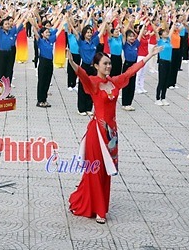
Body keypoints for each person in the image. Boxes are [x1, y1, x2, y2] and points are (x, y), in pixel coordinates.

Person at [67, 45, 161, 224]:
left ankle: (93, 202)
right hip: (97, 133)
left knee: (107, 171)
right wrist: (72, 62)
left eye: (109, 63)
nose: (108, 66)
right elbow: (83, 76)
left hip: (111, 134)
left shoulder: (114, 81)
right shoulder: (94, 83)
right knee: (96, 170)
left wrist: (149, 55)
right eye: (105, 64)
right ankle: (99, 211)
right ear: (96, 66)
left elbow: (131, 71)